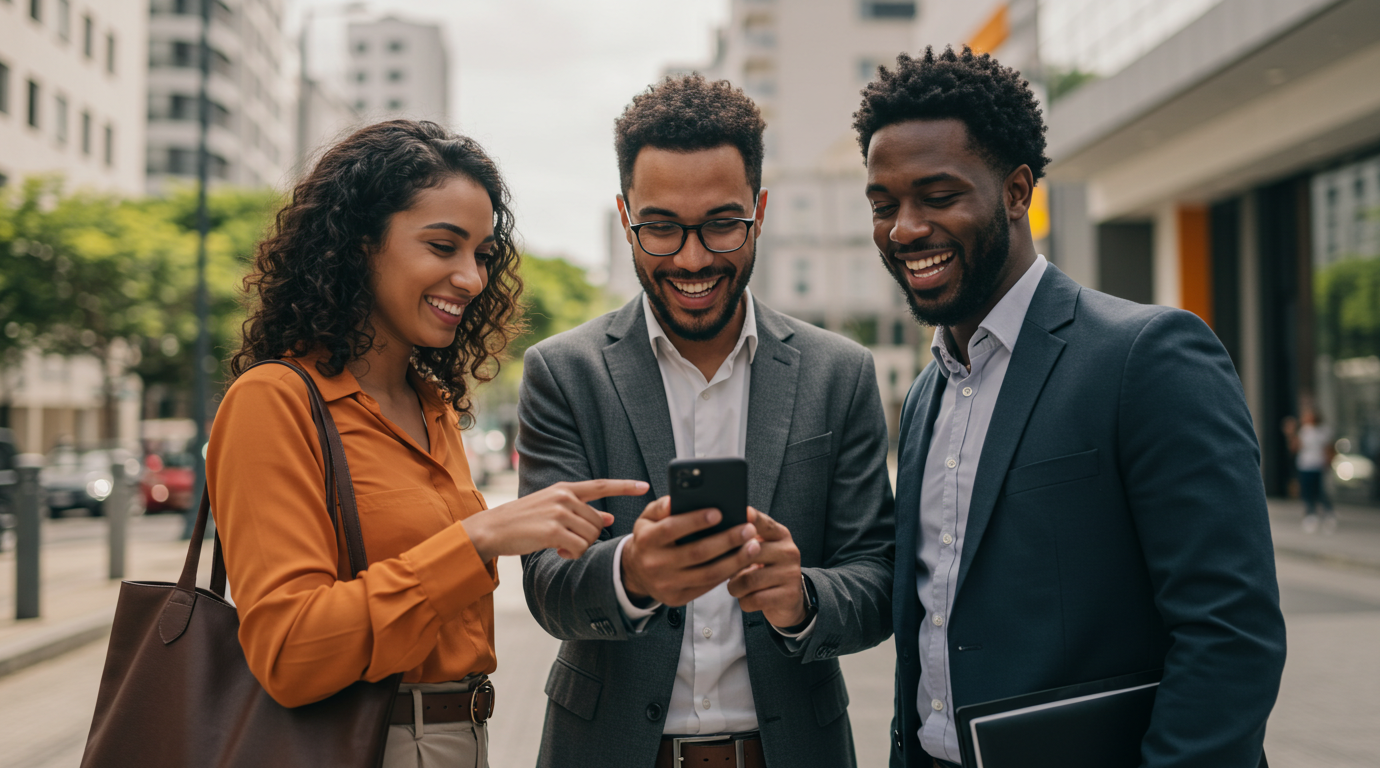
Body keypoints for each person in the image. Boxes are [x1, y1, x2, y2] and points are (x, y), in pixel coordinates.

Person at [855, 49, 1287, 768]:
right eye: (883, 204)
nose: (903, 229)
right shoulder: (928, 390)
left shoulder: (1147, 355)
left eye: (937, 196)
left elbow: (1229, 633)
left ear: (1018, 192)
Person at [206, 120, 646, 768]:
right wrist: (479, 539)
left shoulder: (430, 404)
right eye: (443, 246)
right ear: (358, 246)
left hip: (461, 736)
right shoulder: (273, 401)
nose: (470, 278)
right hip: (362, 743)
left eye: (483, 255)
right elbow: (290, 653)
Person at [516, 75, 895, 768]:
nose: (692, 259)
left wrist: (803, 597)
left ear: (761, 209)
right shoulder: (562, 373)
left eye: (722, 223)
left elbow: (879, 576)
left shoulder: (839, 373)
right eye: (660, 227)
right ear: (626, 216)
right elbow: (545, 585)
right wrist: (631, 573)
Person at [1285, 404, 1336, 532]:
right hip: (1305, 465)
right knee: (1307, 491)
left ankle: (1328, 513)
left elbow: (1328, 449)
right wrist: (1291, 434)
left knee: (1320, 491)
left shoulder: (1323, 431)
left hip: (1318, 465)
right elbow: (1294, 449)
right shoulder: (1303, 431)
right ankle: (1310, 515)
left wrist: (1329, 462)